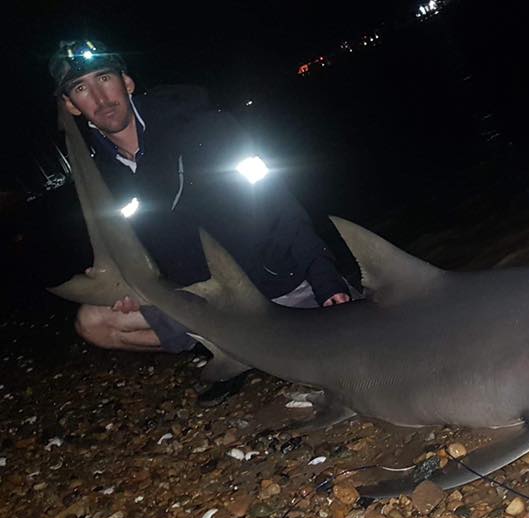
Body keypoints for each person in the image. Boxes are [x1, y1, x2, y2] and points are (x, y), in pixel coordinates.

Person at [48, 39, 352, 405]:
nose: (100, 97)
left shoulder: (206, 128)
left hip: (279, 289)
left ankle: (259, 344)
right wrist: (127, 288)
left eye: (104, 79)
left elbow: (280, 206)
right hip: (210, 308)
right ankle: (229, 352)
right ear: (71, 106)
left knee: (364, 341)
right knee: (94, 322)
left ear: (126, 82)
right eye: (82, 89)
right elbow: (136, 257)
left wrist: (326, 280)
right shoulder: (100, 181)